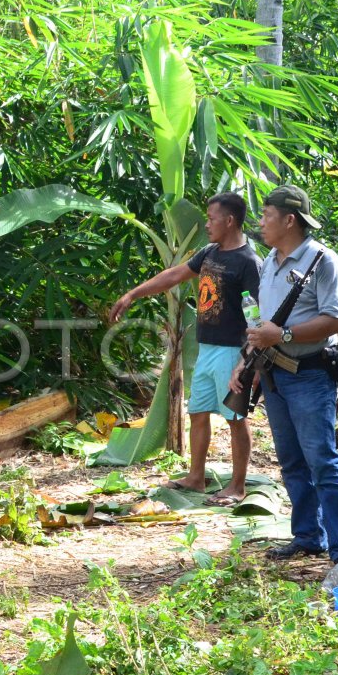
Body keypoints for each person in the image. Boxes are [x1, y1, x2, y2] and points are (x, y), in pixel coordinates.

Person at [228, 184, 338, 563]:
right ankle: (307, 535)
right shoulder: (269, 260)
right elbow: (262, 320)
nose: (260, 222)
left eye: (266, 215)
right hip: (273, 374)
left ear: (289, 220)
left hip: (310, 374)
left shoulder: (323, 261)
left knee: (322, 461)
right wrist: (246, 361)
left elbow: (336, 318)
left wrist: (283, 334)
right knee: (290, 461)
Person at [109, 193, 262, 505]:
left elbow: (256, 314)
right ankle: (195, 476)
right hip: (206, 348)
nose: (206, 224)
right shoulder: (209, 253)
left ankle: (237, 486)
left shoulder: (248, 262)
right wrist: (133, 294)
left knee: (235, 417)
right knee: (198, 413)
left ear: (229, 221)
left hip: (231, 351)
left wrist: (248, 361)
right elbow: (175, 274)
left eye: (211, 219)